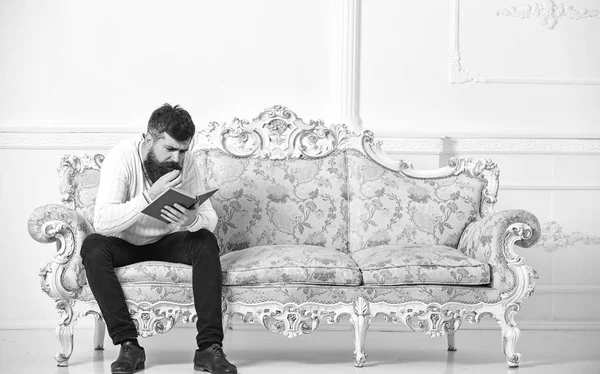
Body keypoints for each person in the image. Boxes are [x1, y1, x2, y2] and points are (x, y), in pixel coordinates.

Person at [80, 103, 237, 374]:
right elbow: (103, 222)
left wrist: (193, 220)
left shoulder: (186, 162)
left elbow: (210, 217)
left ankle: (209, 348)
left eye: (182, 150)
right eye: (170, 149)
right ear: (149, 139)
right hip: (123, 245)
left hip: (166, 242)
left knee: (204, 242)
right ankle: (129, 345)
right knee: (92, 247)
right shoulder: (123, 157)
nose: (177, 158)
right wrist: (148, 197)